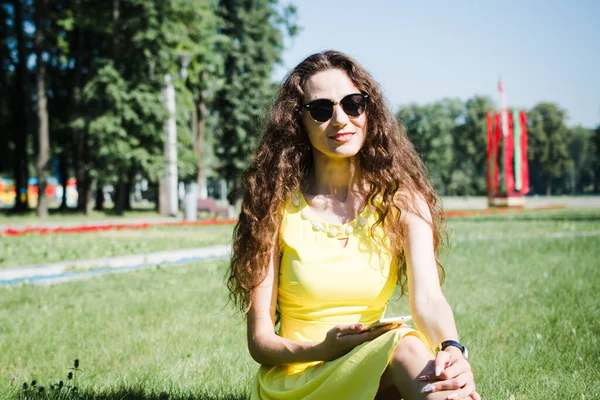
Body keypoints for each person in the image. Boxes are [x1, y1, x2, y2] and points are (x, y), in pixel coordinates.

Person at [227, 50, 480, 400]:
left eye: (353, 104)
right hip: (301, 380)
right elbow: (260, 342)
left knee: (424, 357)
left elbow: (429, 300)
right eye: (321, 109)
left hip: (379, 369)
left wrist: (452, 349)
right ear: (297, 121)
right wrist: (323, 349)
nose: (340, 119)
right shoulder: (273, 208)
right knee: (405, 346)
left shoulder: (403, 202)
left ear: (369, 110)